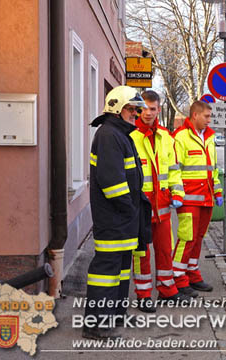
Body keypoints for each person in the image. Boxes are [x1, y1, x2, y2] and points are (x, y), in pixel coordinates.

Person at [84, 86, 151, 339]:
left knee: (122, 267)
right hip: (114, 218)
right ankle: (95, 324)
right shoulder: (109, 135)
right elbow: (112, 182)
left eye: (137, 109)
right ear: (116, 108)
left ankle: (114, 314)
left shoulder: (120, 134)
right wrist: (130, 207)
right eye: (132, 108)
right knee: (106, 271)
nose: (137, 113)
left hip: (124, 217)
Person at [130, 90, 189, 312]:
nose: (148, 113)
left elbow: (174, 171)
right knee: (142, 252)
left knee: (165, 250)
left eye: (152, 109)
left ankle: (167, 290)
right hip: (141, 206)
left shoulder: (166, 137)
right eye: (143, 108)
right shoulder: (130, 135)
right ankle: (143, 294)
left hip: (163, 205)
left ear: (158, 109)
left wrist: (178, 194)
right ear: (137, 109)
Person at [172, 101, 223, 295]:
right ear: (195, 115)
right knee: (186, 238)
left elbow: (213, 170)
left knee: (198, 238)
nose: (210, 120)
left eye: (210, 116)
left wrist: (217, 192)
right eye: (207, 116)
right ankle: (178, 277)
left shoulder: (209, 137)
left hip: (206, 198)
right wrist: (177, 194)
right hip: (188, 199)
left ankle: (192, 273)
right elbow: (174, 170)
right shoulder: (180, 137)